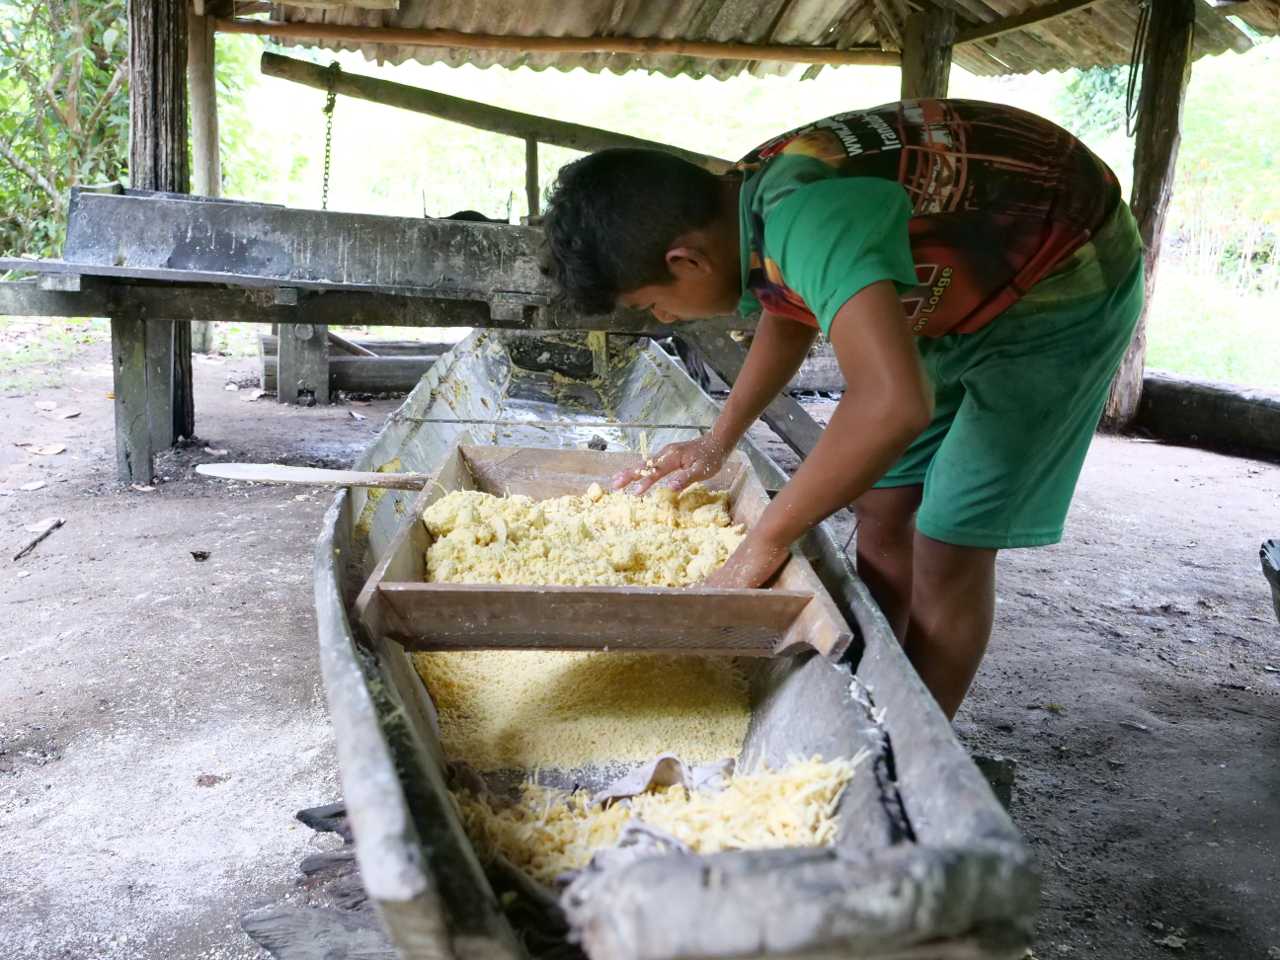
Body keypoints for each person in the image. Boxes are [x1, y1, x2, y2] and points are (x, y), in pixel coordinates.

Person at [540, 99, 1144, 719]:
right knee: (881, 498)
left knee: (949, 539)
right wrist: (718, 438)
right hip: (966, 283)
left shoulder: (806, 217)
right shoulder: (748, 200)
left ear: (687, 260)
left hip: (1061, 281)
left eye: (652, 305)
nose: (665, 318)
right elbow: (790, 305)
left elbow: (895, 403)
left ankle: (912, 740)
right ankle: (875, 677)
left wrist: (766, 540)